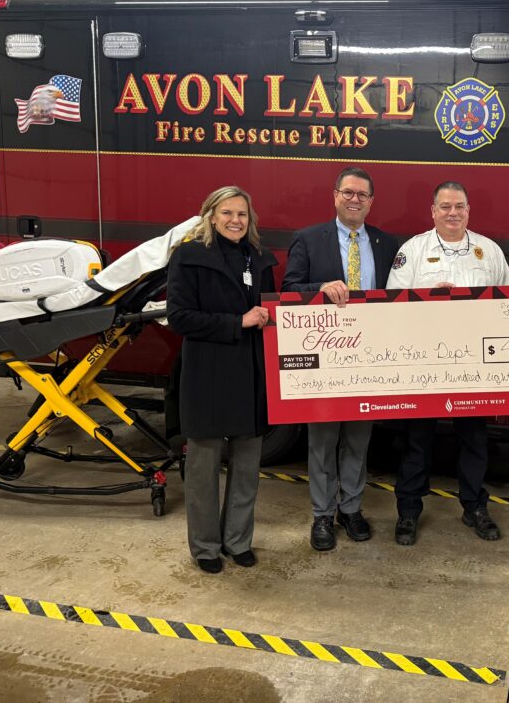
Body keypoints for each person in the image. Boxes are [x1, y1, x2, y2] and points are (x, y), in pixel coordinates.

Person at [386, 181, 509, 545]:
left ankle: (474, 507)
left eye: (459, 206)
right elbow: (390, 304)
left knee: (474, 440)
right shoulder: (412, 251)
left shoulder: (489, 252)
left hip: (474, 366)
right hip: (423, 363)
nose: (452, 213)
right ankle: (408, 511)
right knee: (417, 440)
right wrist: (428, 299)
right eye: (445, 206)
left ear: (468, 211)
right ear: (433, 211)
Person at [282, 167, 399, 552]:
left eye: (362, 195)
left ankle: (351, 509)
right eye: (348, 192)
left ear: (371, 202)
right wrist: (320, 288)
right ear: (335, 196)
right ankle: (322, 514)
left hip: (368, 357)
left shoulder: (386, 244)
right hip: (325, 357)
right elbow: (288, 289)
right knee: (322, 439)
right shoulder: (307, 239)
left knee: (358, 439)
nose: (354, 200)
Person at [167, 186, 272, 574]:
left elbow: (275, 305)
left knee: (246, 466)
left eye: (242, 214)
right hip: (207, 373)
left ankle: (238, 540)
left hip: (251, 371)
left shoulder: (258, 256)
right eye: (227, 213)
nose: (235, 221)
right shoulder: (189, 256)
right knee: (203, 468)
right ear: (211, 215)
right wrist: (237, 322)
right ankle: (206, 547)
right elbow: (179, 317)